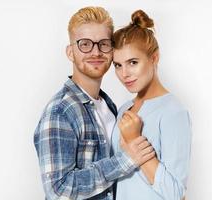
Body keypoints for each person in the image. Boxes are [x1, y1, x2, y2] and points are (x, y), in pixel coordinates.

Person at [33, 7, 155, 200]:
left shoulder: (108, 106)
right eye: (85, 44)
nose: (96, 52)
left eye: (104, 44)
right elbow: (58, 190)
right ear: (70, 52)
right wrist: (124, 160)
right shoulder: (60, 111)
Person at [111, 10, 192, 200]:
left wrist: (134, 140)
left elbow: (175, 193)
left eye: (132, 62)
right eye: (118, 65)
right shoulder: (124, 109)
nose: (125, 74)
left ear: (154, 58)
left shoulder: (174, 112)